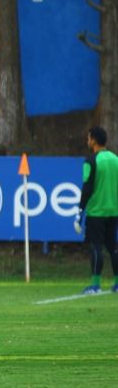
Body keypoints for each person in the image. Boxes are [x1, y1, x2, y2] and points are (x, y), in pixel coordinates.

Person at [79, 126, 118, 294]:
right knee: (113, 247)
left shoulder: (91, 161)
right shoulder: (115, 159)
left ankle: (95, 284)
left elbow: (87, 187)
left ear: (94, 140)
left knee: (96, 247)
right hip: (114, 211)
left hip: (96, 211)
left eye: (89, 138)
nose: (87, 141)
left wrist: (80, 210)